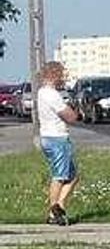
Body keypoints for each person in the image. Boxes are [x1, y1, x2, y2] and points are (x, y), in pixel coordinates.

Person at [37, 62, 80, 226]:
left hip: (48, 137)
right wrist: (74, 111)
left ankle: (58, 206)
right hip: (57, 138)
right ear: (54, 75)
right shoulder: (51, 94)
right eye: (61, 74)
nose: (63, 78)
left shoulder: (42, 92)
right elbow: (69, 116)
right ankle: (54, 211)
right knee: (60, 176)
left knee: (73, 175)